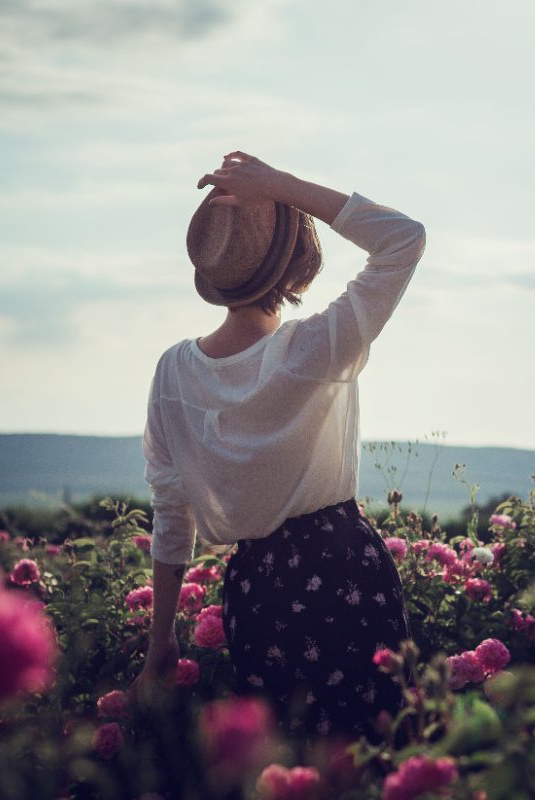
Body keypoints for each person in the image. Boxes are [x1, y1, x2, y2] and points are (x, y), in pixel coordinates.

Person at [128, 151, 425, 748]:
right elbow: (404, 240)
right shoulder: (315, 349)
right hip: (346, 573)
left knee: (285, 770)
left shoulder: (174, 374)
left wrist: (161, 643)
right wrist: (282, 186)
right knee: (368, 760)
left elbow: (171, 516)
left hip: (257, 592)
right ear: (295, 264)